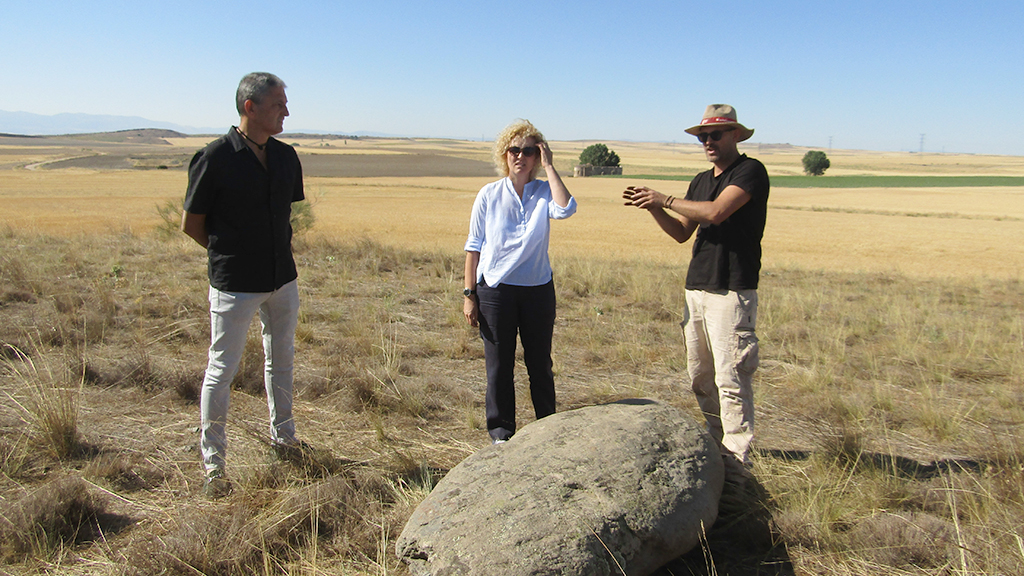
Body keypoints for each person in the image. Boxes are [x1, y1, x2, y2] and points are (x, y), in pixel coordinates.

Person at [622, 104, 769, 483]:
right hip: (697, 289)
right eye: (703, 136)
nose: (707, 142)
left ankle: (738, 464)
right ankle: (717, 444)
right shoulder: (701, 179)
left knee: (731, 377)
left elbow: (718, 212)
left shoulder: (750, 172)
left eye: (715, 135)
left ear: (735, 135)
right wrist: (652, 207)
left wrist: (665, 199)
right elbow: (681, 232)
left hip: (731, 291)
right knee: (700, 376)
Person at [181, 72, 305, 497]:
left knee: (282, 361)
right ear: (250, 107)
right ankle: (215, 467)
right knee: (221, 371)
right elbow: (192, 223)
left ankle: (284, 440)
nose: (286, 111)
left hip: (282, 280)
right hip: (235, 285)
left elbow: (283, 217)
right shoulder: (214, 158)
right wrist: (228, 255)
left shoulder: (287, 157)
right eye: (277, 104)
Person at [463, 119, 577, 444]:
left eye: (529, 150)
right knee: (499, 368)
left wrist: (551, 166)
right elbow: (473, 247)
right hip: (495, 292)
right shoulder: (489, 194)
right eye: (515, 149)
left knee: (539, 364)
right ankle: (501, 435)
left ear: (537, 156)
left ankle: (547, 429)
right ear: (504, 154)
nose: (521, 156)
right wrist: (469, 294)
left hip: (538, 291)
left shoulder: (544, 192)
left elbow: (566, 208)